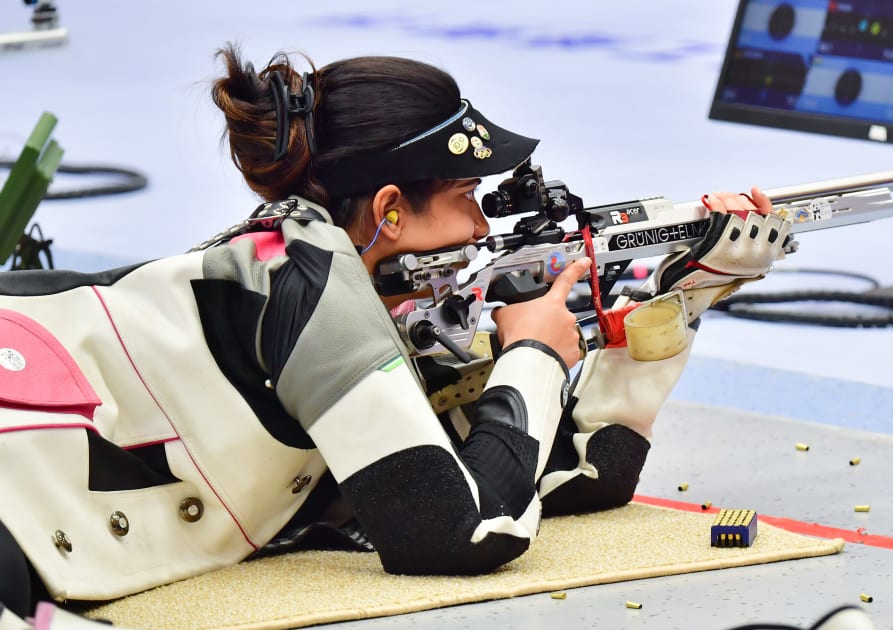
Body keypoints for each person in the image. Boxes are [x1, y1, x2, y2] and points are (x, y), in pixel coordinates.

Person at [0, 44, 790, 626]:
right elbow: (456, 532)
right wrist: (532, 356)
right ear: (388, 211)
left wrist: (685, 294)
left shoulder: (329, 278)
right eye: (469, 195)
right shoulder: (306, 270)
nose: (482, 229)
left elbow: (570, 476)